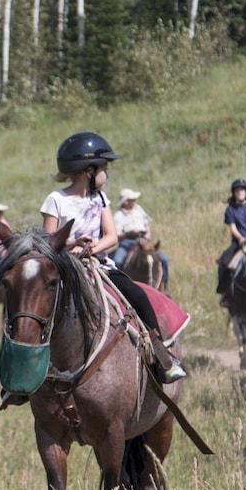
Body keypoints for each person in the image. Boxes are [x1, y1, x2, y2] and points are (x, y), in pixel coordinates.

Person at [40, 131, 186, 382]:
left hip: (98, 265)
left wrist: (92, 248)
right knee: (32, 307)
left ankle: (161, 355)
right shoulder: (56, 200)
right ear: (89, 171)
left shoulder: (100, 198)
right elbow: (46, 242)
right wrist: (73, 243)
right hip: (64, 268)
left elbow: (112, 237)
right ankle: (21, 372)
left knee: (138, 294)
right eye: (104, 167)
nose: (107, 173)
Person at [111, 188, 170, 290]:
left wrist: (147, 235)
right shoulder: (118, 216)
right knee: (117, 261)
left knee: (163, 258)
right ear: (125, 202)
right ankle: (118, 286)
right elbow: (117, 236)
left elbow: (147, 225)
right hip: (126, 242)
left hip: (144, 242)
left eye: (134, 200)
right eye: (131, 200)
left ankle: (163, 284)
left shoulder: (139, 210)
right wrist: (129, 234)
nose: (134, 202)